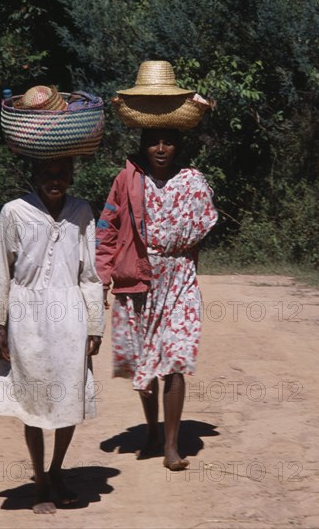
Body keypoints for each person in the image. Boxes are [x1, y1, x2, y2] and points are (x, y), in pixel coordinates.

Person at [0, 157, 104, 513]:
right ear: (34, 175)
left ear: (71, 175)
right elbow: (1, 270)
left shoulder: (81, 211)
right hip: (26, 314)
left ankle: (55, 470)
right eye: (48, 173)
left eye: (62, 173)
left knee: (69, 396)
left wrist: (94, 326)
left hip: (70, 315)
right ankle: (40, 482)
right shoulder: (14, 212)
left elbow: (90, 275)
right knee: (31, 400)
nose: (56, 179)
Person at [96, 128, 218, 470]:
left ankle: (171, 445)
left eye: (169, 141)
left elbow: (205, 221)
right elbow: (107, 227)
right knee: (144, 358)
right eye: (154, 141)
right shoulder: (127, 180)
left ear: (179, 145)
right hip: (139, 276)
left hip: (179, 277)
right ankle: (151, 429)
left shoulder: (193, 181)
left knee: (176, 358)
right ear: (143, 145)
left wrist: (177, 250)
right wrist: (102, 277)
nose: (161, 149)